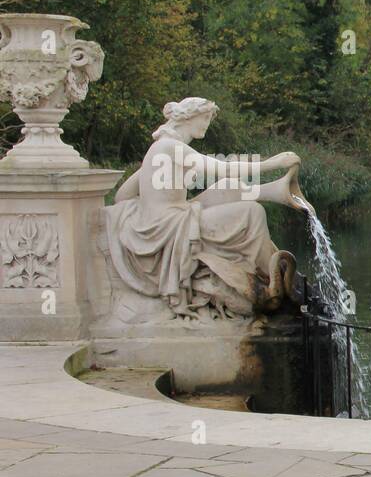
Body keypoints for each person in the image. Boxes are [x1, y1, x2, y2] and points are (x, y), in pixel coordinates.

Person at [105, 98, 312, 318]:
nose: (207, 123)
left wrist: (149, 205)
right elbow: (224, 168)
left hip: (171, 217)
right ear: (188, 117)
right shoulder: (172, 147)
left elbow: (122, 195)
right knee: (253, 213)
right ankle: (266, 277)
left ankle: (275, 191)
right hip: (171, 225)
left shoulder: (159, 148)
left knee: (225, 189)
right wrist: (272, 163)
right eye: (205, 118)